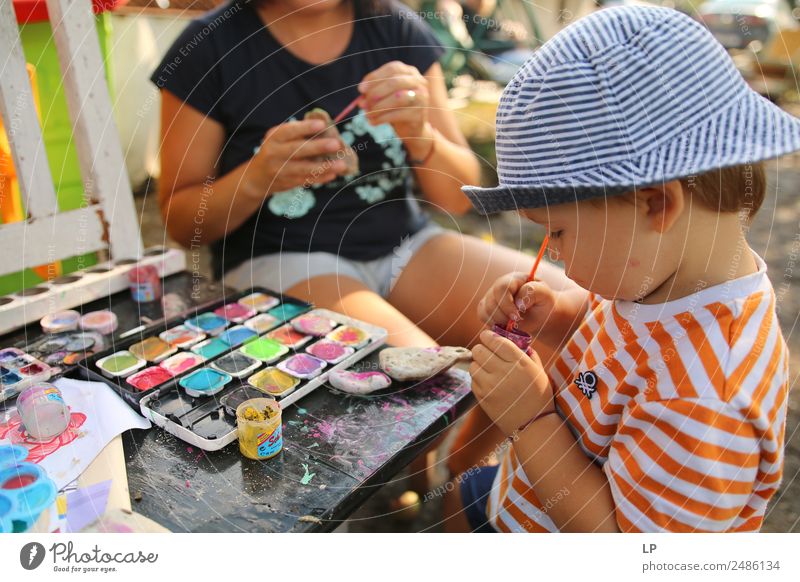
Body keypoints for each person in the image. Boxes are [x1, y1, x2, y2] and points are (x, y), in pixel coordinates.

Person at [151, 0, 581, 488]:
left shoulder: (395, 27)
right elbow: (184, 222)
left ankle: (456, 475)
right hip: (281, 257)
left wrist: (420, 134)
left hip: (405, 244)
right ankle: (428, 484)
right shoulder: (209, 46)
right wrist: (257, 178)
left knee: (568, 313)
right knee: (430, 385)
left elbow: (458, 196)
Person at [447, 5, 797, 532]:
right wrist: (557, 315)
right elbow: (613, 338)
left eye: (558, 232)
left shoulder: (706, 396)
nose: (550, 252)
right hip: (519, 498)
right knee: (466, 500)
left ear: (657, 205)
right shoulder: (656, 273)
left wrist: (531, 418)